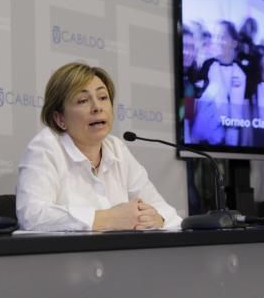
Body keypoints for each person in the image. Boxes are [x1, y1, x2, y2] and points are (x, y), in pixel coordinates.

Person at [16, 62, 181, 231]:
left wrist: (157, 218)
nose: (97, 107)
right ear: (60, 119)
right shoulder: (45, 147)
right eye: (83, 101)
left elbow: (165, 211)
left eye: (103, 97)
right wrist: (108, 218)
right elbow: (32, 215)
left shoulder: (116, 148)